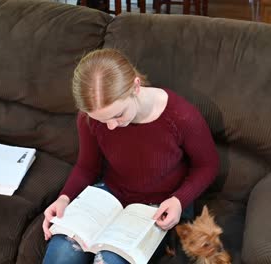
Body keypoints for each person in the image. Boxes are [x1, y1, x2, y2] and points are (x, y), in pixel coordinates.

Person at [42, 48, 219, 264]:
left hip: (161, 206)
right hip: (110, 197)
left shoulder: (181, 117)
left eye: (118, 115)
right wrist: (64, 198)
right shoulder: (91, 117)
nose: (111, 126)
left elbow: (207, 165)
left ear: (135, 87)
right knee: (63, 251)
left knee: (109, 260)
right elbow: (87, 167)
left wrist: (179, 201)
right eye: (101, 119)